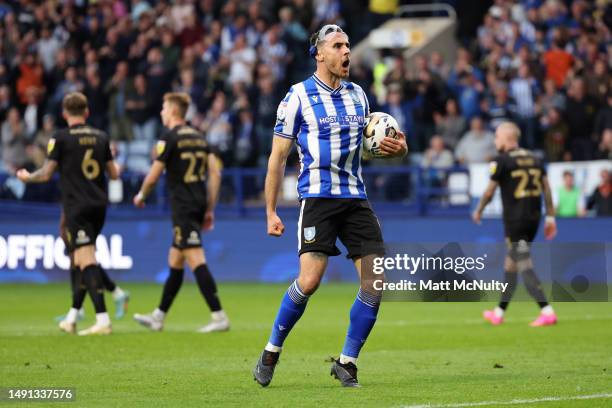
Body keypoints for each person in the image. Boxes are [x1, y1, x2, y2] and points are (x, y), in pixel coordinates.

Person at [252, 24, 407, 388]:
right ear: (319, 54)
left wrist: (399, 149)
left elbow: (377, 145)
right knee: (309, 280)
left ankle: (347, 362)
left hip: (355, 200)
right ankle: (271, 350)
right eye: (338, 46)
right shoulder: (297, 97)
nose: (346, 52)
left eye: (348, 45)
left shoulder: (359, 97)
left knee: (376, 282)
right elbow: (277, 157)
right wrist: (270, 211)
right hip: (318, 200)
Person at [17, 92, 121, 335]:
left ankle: (103, 320)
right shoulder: (101, 137)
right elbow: (114, 174)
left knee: (86, 259)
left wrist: (27, 177)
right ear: (86, 112)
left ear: (65, 113)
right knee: (79, 260)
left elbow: (45, 173)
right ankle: (72, 317)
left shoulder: (61, 138)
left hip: (77, 206)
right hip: (99, 206)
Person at [132, 92, 229, 333]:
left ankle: (219, 316)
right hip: (197, 204)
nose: (162, 112)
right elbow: (215, 174)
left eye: (164, 108)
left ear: (174, 111)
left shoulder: (169, 137)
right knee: (175, 260)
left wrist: (141, 195)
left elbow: (154, 174)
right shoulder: (200, 137)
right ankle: (159, 316)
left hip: (183, 207)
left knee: (195, 258)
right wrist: (210, 208)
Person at [472, 122, 558, 327]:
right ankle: (499, 313)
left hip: (515, 221)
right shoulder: (536, 159)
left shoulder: (502, 160)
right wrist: (551, 217)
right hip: (534, 219)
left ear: (505, 137)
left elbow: (489, 191)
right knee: (510, 266)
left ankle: (547, 311)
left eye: (496, 137)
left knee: (524, 264)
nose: (495, 140)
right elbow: (546, 189)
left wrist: (479, 210)